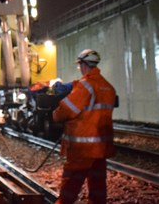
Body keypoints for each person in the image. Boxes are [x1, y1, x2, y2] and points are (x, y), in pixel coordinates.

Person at [52, 49, 117, 204]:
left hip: (82, 149)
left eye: (79, 65)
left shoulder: (85, 87)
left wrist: (54, 115)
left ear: (83, 64)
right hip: (101, 148)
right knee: (98, 188)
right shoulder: (108, 87)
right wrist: (71, 85)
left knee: (70, 187)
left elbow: (67, 110)